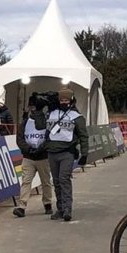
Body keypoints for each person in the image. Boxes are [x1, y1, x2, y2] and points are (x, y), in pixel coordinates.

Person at [44, 89, 88, 222]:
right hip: (52, 153)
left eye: (66, 100)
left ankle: (67, 208)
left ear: (71, 100)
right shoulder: (51, 114)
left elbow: (83, 135)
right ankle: (60, 209)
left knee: (64, 179)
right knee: (56, 181)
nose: (64, 102)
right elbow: (41, 125)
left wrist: (84, 153)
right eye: (61, 100)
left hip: (67, 152)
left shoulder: (76, 116)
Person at [13, 98, 54, 218]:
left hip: (42, 157)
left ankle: (47, 203)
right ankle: (22, 206)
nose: (33, 110)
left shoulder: (46, 122)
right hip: (29, 157)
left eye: (34, 107)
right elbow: (20, 139)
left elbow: (49, 138)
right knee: (26, 181)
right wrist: (28, 149)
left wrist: (40, 148)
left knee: (45, 182)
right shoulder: (25, 122)